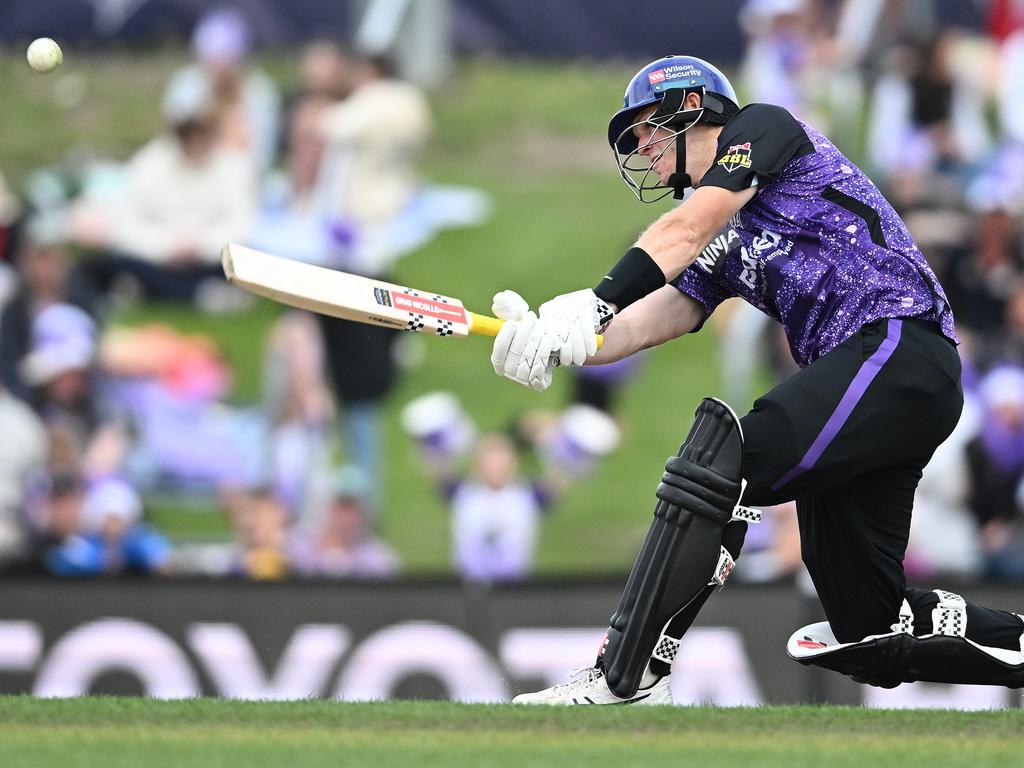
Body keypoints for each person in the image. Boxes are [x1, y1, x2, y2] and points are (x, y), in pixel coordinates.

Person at [488, 55, 1024, 705]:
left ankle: (625, 670)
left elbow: (688, 227)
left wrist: (597, 298)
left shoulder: (762, 129)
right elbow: (656, 315)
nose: (642, 148)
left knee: (720, 457)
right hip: (876, 388)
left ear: (695, 109)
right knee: (870, 633)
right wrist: (558, 339)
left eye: (649, 129)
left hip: (895, 347)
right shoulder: (727, 240)